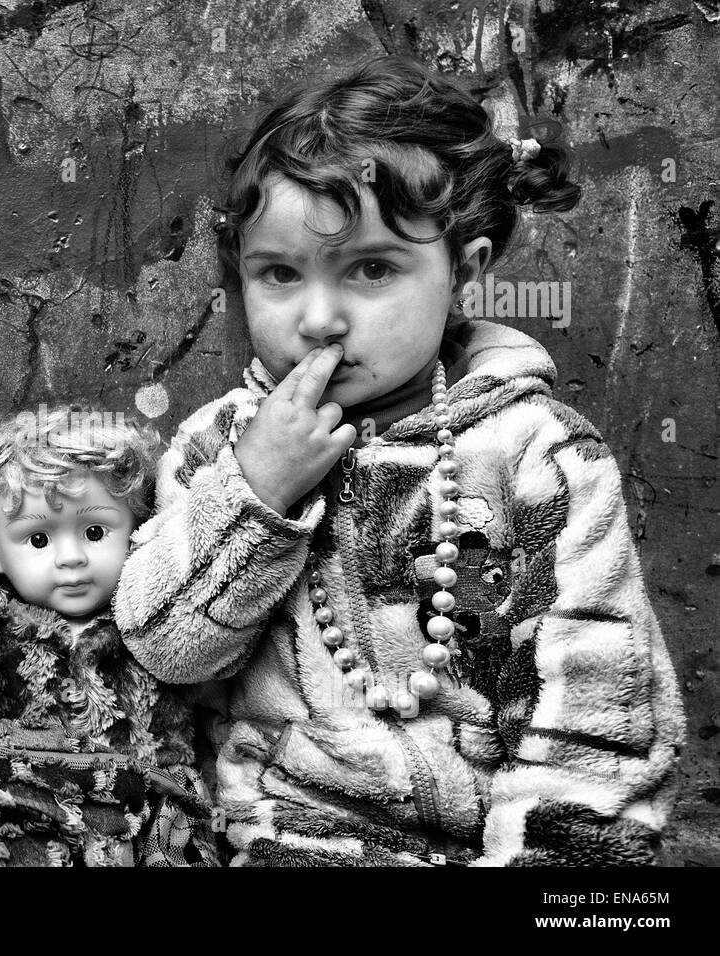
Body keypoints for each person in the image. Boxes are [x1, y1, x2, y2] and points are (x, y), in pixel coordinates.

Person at [113, 55, 685, 866]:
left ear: (464, 273)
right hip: (268, 836)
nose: (318, 318)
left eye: (372, 269)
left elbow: (599, 726)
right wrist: (258, 488)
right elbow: (163, 647)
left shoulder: (537, 458)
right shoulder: (220, 447)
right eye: (278, 273)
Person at [0, 405, 218, 865]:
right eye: (38, 540)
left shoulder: (149, 617)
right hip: (39, 800)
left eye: (96, 531)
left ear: (138, 527)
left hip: (155, 805)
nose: (71, 557)